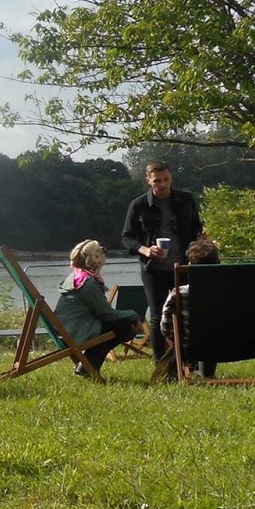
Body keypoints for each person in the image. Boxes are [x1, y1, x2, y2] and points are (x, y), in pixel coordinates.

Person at [121, 160, 206, 362]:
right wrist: (145, 250)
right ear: (148, 180)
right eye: (157, 181)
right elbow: (126, 237)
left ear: (171, 178)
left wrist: (201, 238)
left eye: (166, 179)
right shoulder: (139, 205)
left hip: (183, 266)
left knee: (188, 314)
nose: (162, 184)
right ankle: (160, 364)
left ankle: (189, 361)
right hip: (153, 269)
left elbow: (196, 228)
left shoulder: (186, 200)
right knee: (158, 316)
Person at [53, 239, 142, 376]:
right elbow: (106, 314)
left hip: (69, 329)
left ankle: (87, 366)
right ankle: (89, 366)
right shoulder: (88, 283)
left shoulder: (78, 276)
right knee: (124, 325)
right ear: (97, 260)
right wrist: (133, 315)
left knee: (120, 324)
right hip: (77, 332)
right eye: (102, 251)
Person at [154, 236, 221, 380]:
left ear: (189, 265)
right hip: (234, 344)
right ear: (218, 264)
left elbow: (165, 327)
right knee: (212, 333)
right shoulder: (232, 292)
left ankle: (201, 374)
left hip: (189, 347)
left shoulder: (179, 294)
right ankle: (207, 374)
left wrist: (177, 339)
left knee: (203, 336)